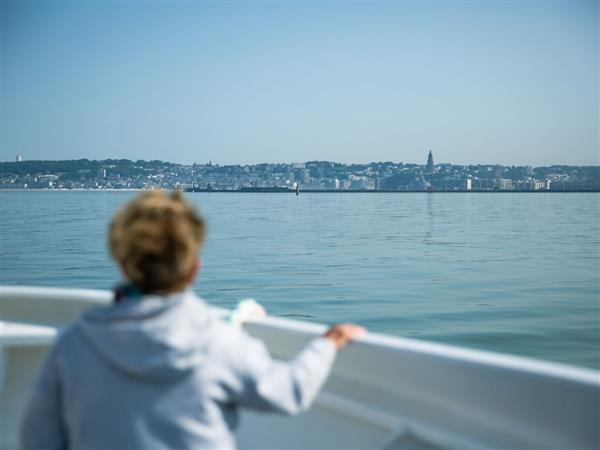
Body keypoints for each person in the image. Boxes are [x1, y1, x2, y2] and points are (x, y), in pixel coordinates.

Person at [20, 190, 365, 450]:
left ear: (125, 265)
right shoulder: (220, 343)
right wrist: (329, 342)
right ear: (194, 268)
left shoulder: (74, 345)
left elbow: (37, 439)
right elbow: (291, 392)